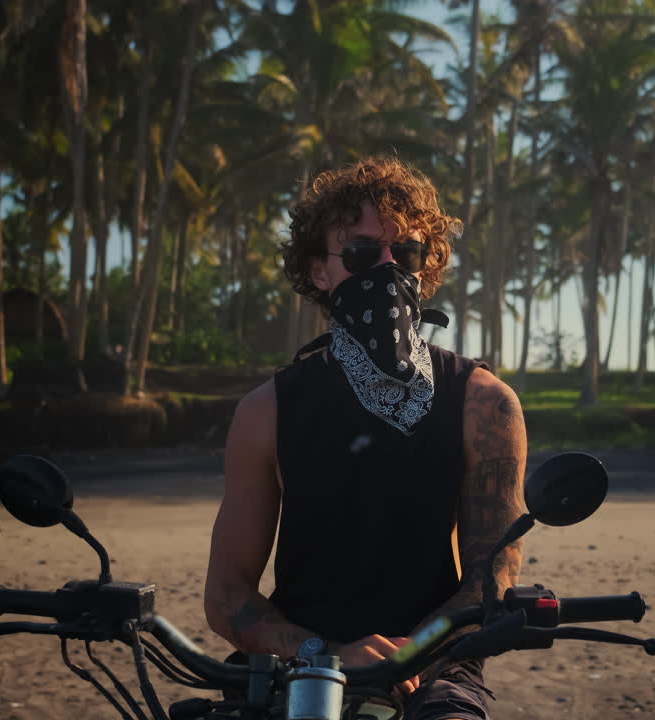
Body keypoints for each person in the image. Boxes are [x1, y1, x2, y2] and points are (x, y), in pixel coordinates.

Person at [204, 156, 527, 720]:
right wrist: (325, 656)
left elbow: (493, 574)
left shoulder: (483, 402)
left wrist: (413, 653)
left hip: (437, 663)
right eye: (360, 253)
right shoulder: (268, 411)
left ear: (425, 268)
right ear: (319, 271)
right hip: (300, 664)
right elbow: (228, 594)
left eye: (405, 253)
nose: (386, 269)